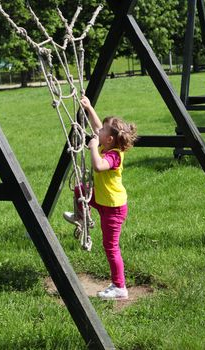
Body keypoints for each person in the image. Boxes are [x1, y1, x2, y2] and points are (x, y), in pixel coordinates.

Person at [64, 96, 137, 300]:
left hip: (113, 207)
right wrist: (89, 108)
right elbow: (97, 128)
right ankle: (80, 216)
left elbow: (98, 165)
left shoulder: (112, 155)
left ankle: (119, 287)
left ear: (109, 140)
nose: (98, 132)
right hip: (103, 199)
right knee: (80, 190)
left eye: (103, 132)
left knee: (111, 247)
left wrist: (93, 147)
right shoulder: (108, 143)